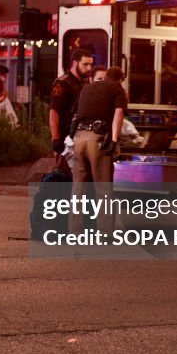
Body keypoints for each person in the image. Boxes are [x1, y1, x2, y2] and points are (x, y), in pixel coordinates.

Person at [70, 66, 127, 234]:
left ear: (106, 76)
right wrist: (115, 140)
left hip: (79, 138)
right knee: (103, 188)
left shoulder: (87, 88)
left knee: (77, 188)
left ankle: (75, 231)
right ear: (119, 79)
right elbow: (119, 114)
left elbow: (75, 114)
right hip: (98, 140)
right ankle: (105, 233)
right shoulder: (116, 89)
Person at [49, 49, 95, 162]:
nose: (89, 68)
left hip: (82, 134)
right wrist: (55, 138)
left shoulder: (85, 83)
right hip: (66, 135)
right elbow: (54, 112)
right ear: (75, 63)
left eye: (90, 64)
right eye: (85, 64)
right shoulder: (62, 83)